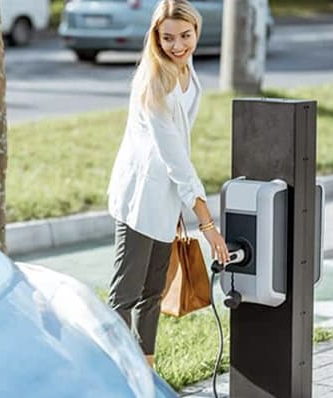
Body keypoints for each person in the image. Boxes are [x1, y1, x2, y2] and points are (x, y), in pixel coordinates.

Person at [106, 0, 230, 367]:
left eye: (185, 36)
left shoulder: (187, 70)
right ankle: (113, 371)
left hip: (166, 196)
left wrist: (181, 205)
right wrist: (207, 225)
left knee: (152, 291)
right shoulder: (154, 82)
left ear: (196, 31)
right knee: (125, 294)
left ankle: (146, 369)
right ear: (155, 37)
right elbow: (175, 158)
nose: (177, 46)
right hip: (141, 197)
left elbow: (180, 150)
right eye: (168, 38)